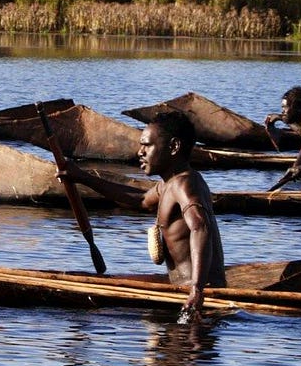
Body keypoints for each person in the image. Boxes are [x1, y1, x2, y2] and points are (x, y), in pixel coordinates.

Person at [58, 110, 226, 316]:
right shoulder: (167, 184)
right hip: (184, 290)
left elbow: (200, 227)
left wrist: (197, 290)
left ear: (174, 147)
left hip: (198, 295)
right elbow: (140, 200)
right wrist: (82, 177)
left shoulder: (184, 183)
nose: (140, 152)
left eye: (147, 145)